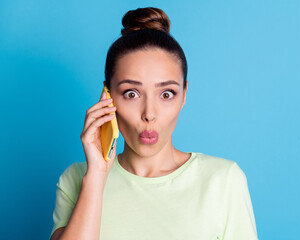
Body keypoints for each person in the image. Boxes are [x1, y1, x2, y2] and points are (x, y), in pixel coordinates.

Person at [49, 7, 258, 240]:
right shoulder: (77, 179)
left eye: (166, 94)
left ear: (184, 95)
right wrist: (97, 175)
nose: (149, 114)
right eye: (131, 93)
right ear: (107, 96)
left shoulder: (223, 180)